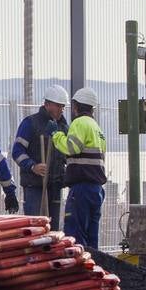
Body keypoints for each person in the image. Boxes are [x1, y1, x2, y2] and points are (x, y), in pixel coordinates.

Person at [52, 88, 109, 250]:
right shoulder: (97, 128)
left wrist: (57, 136)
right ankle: (95, 266)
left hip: (81, 188)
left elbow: (72, 148)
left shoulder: (79, 123)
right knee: (91, 235)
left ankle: (78, 270)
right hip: (96, 189)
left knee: (75, 234)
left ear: (76, 106)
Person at [10, 85, 69, 227]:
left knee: (53, 230)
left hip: (55, 185)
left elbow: (67, 152)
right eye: (58, 106)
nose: (61, 109)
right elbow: (17, 151)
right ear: (47, 104)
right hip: (35, 186)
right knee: (35, 227)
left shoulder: (63, 127)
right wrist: (33, 166)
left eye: (63, 106)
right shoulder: (30, 123)